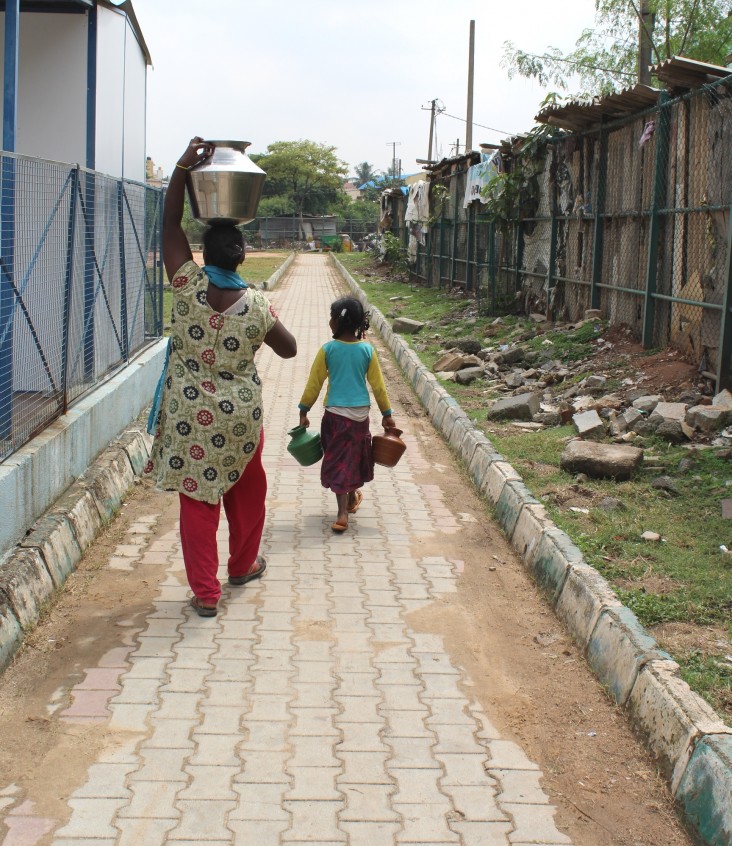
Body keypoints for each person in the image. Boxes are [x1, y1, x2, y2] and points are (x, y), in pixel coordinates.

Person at [145, 137, 297, 617]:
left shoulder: (186, 285)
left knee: (198, 502)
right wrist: (262, 324)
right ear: (242, 255)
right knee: (248, 491)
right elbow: (290, 349)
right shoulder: (255, 306)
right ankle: (243, 565)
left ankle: (206, 594)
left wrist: (182, 168)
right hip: (240, 422)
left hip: (190, 419)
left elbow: (168, 224)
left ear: (202, 254)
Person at [298, 296, 396, 532]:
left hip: (334, 416)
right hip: (360, 417)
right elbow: (378, 386)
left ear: (339, 321)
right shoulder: (367, 350)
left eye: (332, 317)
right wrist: (387, 413)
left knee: (338, 458)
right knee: (351, 457)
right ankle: (351, 497)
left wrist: (304, 409)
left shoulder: (328, 350)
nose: (329, 321)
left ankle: (342, 514)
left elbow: (315, 382)